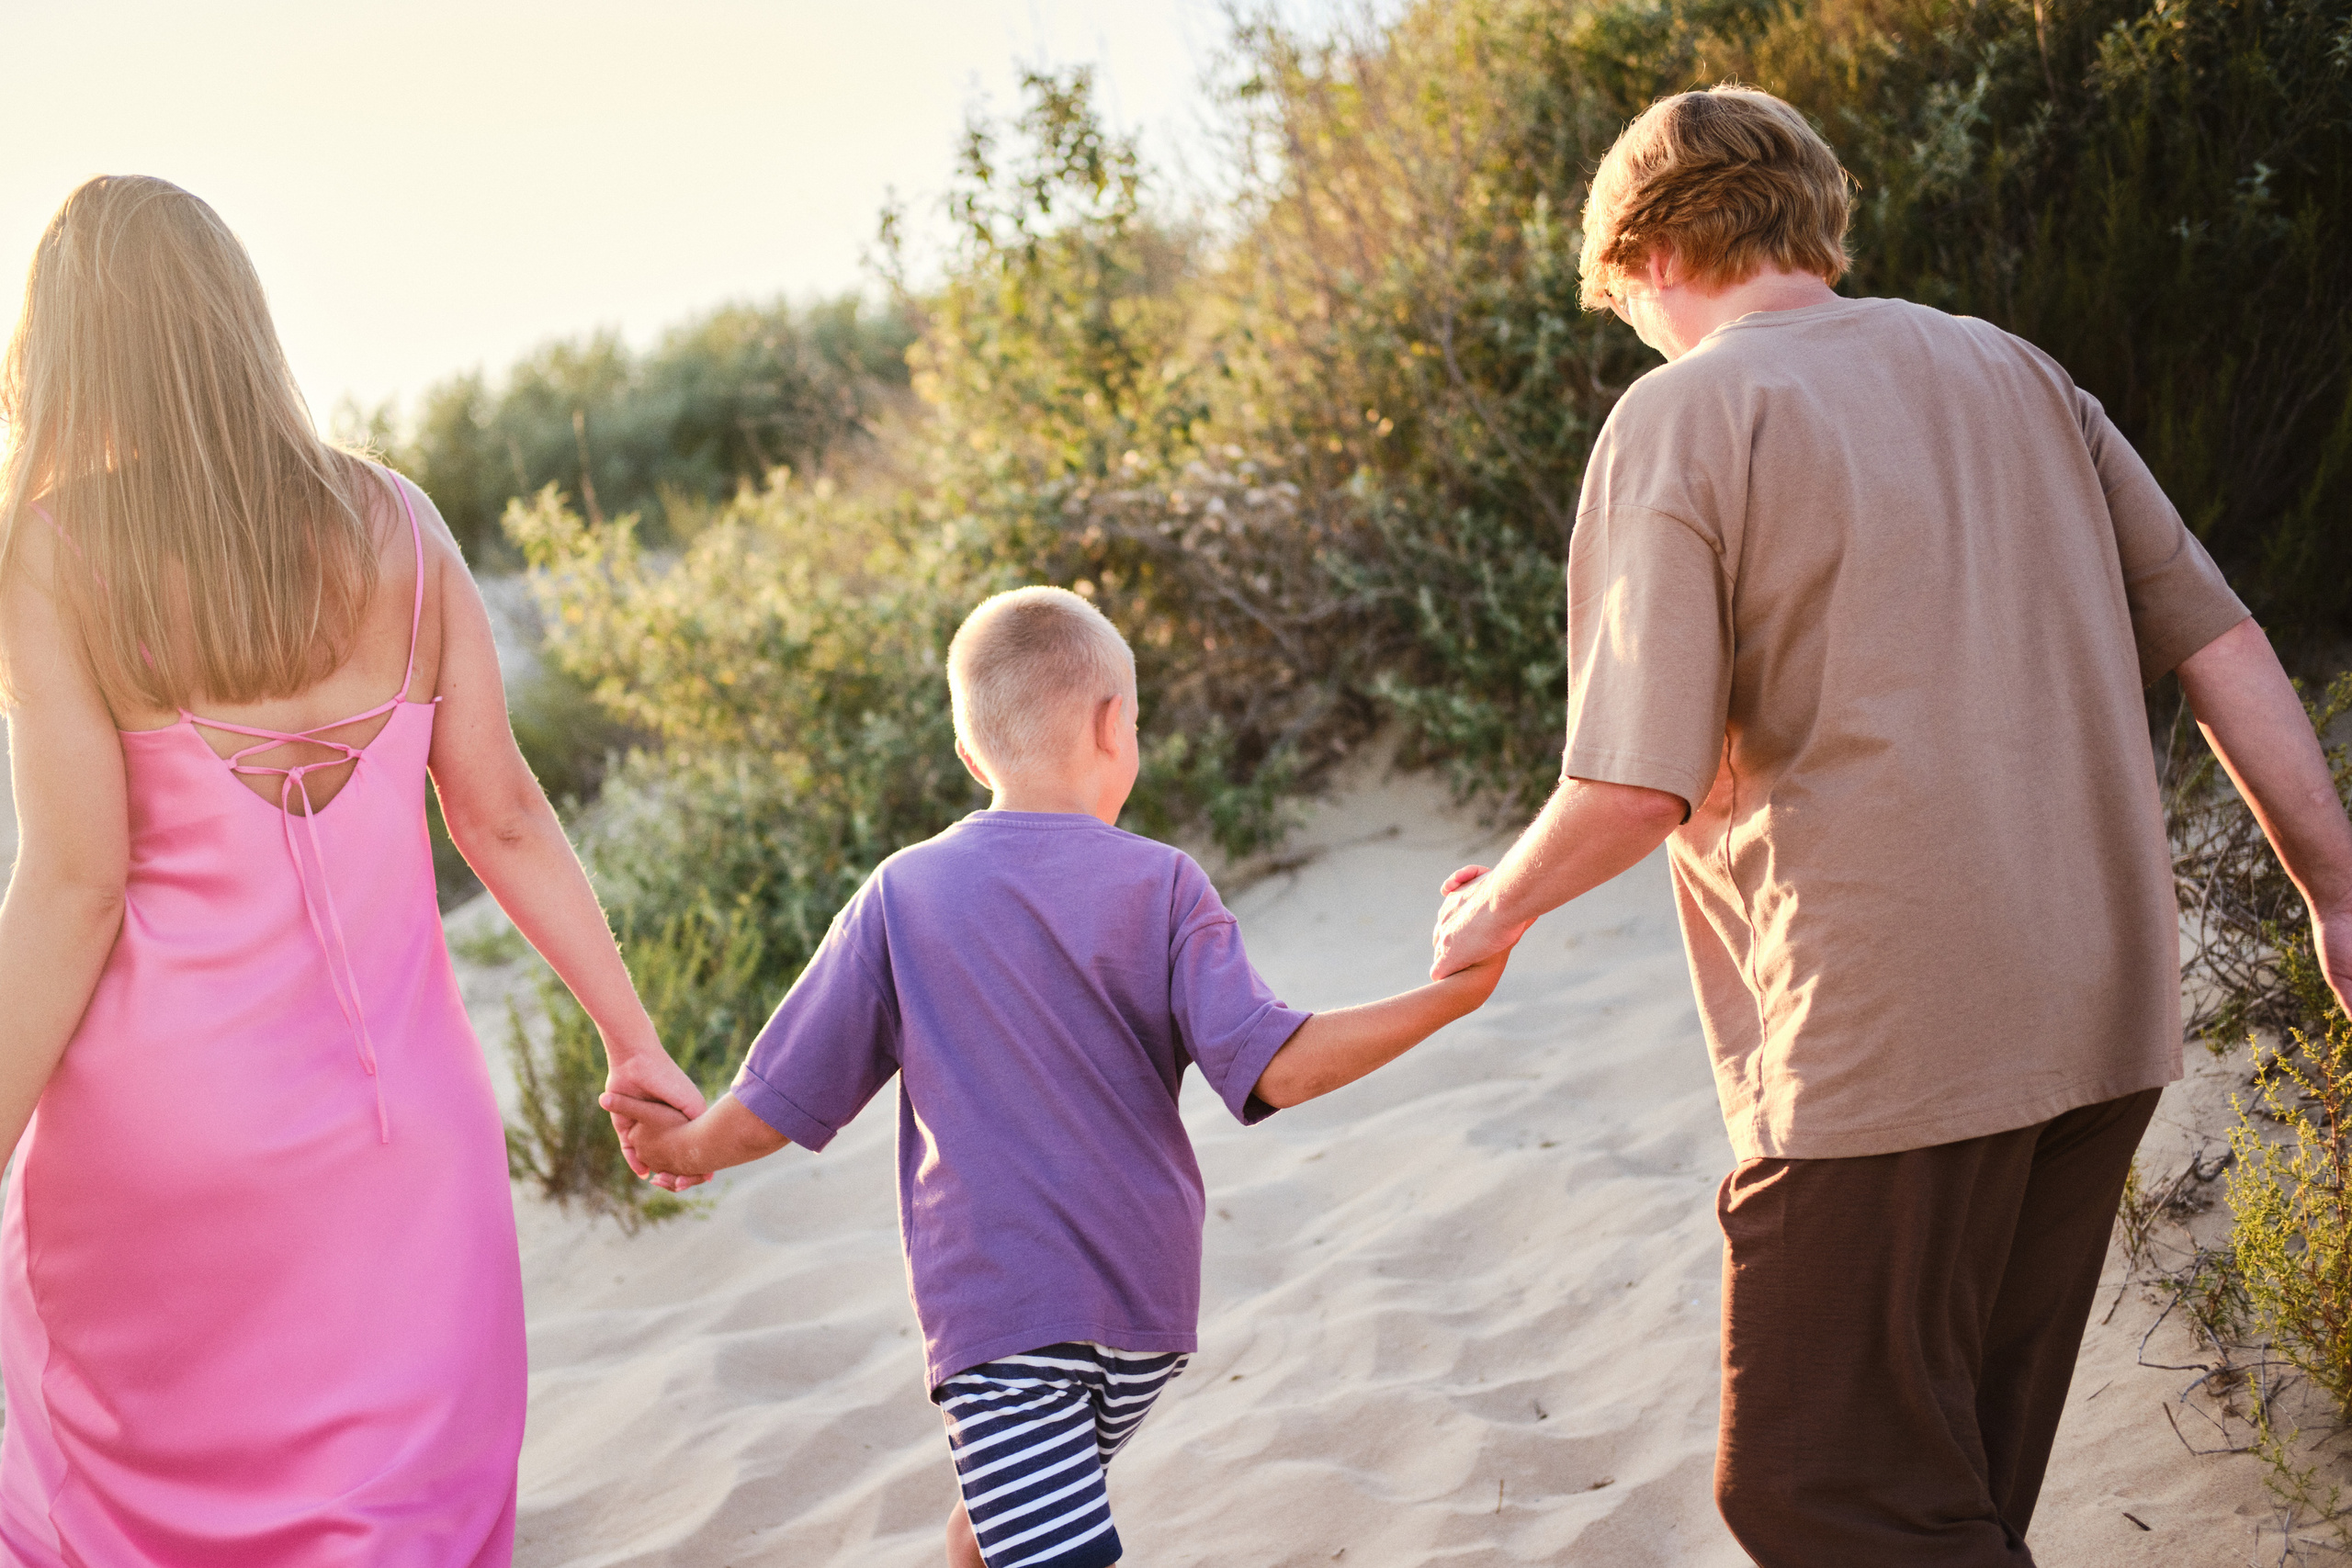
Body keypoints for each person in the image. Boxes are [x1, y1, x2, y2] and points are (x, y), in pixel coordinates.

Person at [1428, 87, 2352, 1566]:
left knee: (1814, 1488)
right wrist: (2334, 891)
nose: (1634, 328)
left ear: (1649, 250)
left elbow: (1632, 787)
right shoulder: (2019, 372)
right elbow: (2224, 639)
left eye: (1621, 297)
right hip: (2104, 1012)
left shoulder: (1684, 411)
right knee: (1953, 1487)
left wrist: (1490, 914)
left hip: (1887, 1037)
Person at [0, 175, 707, 1564]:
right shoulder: (401, 523)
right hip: (403, 1150)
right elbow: (500, 818)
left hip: (156, 1154)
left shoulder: (55, 557)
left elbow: (73, 887)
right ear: (238, 323)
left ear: (64, 351)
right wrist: (635, 1039)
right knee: (395, 1517)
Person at [605, 585, 1510, 1568]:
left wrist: (680, 1145)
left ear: (969, 755)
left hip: (1005, 1318)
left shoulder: (902, 894)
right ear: (1113, 723)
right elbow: (1278, 1068)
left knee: (1036, 1536)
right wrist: (1450, 998)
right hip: (1146, 1317)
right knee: (1010, 1534)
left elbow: (776, 1102)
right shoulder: (1167, 883)